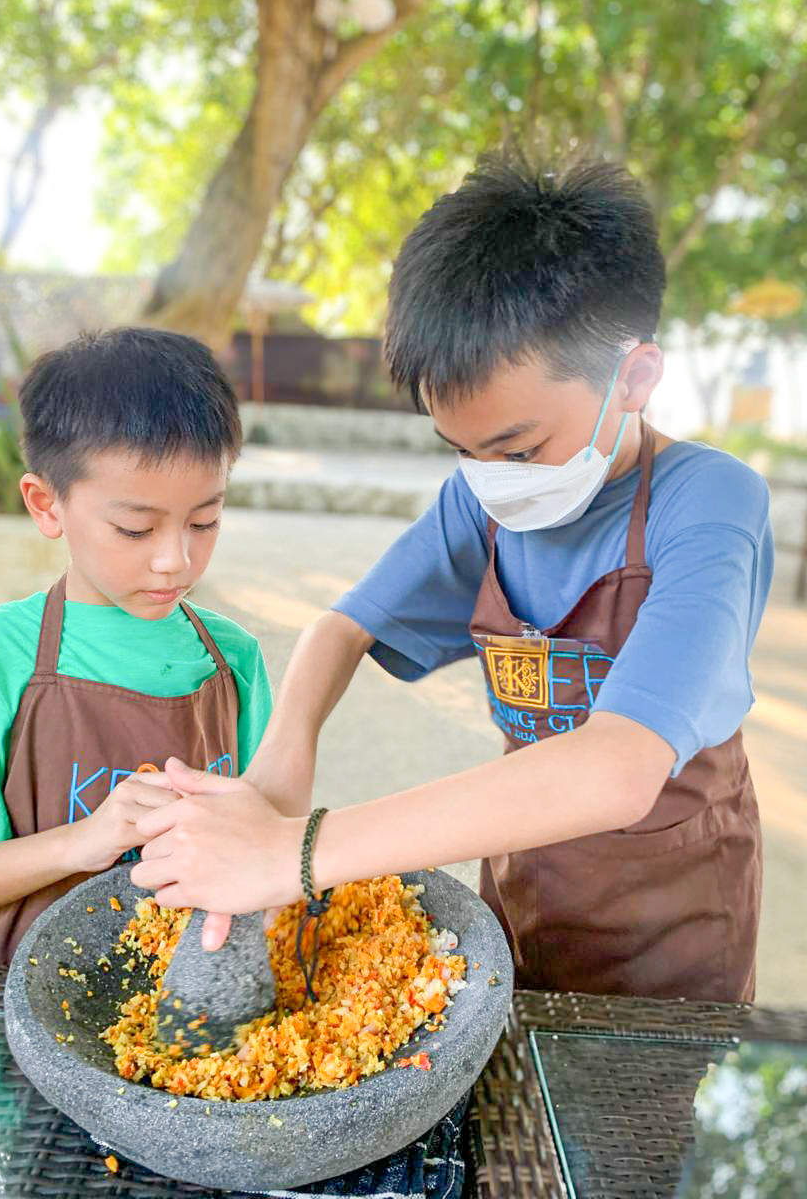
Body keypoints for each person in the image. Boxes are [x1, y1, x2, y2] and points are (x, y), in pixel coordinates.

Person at [129, 155, 773, 1004]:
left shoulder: (711, 504)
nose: (491, 478)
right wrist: (281, 772)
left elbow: (614, 769)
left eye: (516, 450)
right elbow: (342, 628)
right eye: (460, 452)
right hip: (523, 876)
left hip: (671, 923)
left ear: (636, 377)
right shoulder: (482, 502)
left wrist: (297, 852)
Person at [0, 328, 272, 968]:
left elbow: (273, 843)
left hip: (202, 997)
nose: (175, 559)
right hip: (32, 995)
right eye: (135, 528)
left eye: (205, 521)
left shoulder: (234, 660)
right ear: (46, 505)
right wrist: (83, 841)